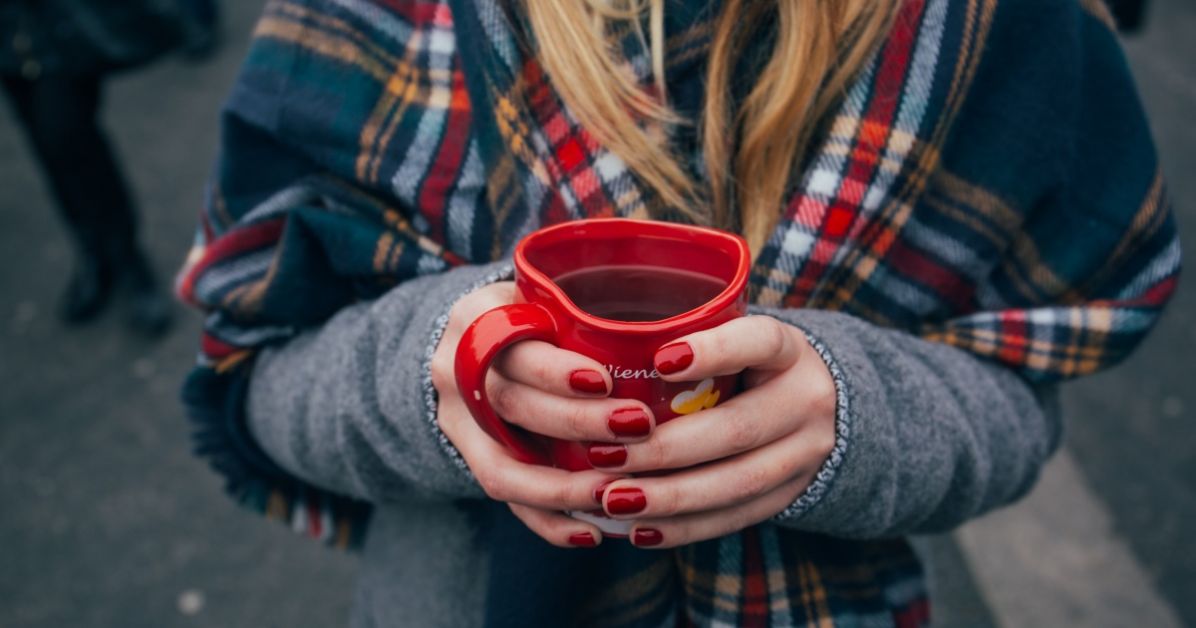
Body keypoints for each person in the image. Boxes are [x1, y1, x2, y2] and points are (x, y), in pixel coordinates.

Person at [176, 0, 1180, 626]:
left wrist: (853, 416)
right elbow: (258, 375)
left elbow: (1018, 400)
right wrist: (435, 372)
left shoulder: (999, 30)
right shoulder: (388, 11)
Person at [1, 0, 176, 336]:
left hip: (55, 25)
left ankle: (128, 258)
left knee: (70, 135)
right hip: (8, 36)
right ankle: (93, 253)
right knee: (47, 149)